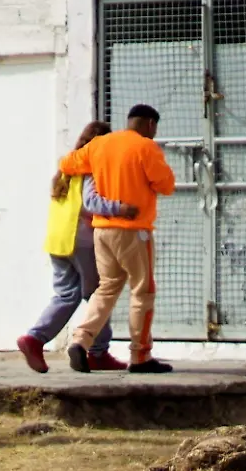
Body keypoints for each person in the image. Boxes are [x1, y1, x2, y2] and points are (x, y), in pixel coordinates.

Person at [57, 104, 176, 374]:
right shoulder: (146, 147)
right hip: (134, 231)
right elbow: (166, 185)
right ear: (148, 124)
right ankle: (141, 356)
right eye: (154, 128)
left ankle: (80, 340)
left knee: (106, 288)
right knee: (142, 291)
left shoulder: (100, 145)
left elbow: (67, 163)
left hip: (102, 231)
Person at [17, 121, 135, 373]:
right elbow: (91, 203)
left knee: (67, 294)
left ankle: (34, 339)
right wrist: (121, 209)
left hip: (58, 239)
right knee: (99, 295)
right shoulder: (91, 166)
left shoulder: (67, 165)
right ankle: (98, 352)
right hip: (81, 240)